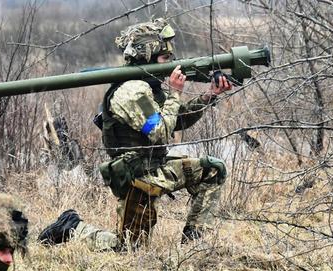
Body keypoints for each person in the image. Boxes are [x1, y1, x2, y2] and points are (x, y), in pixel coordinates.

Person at [39, 18, 232, 251]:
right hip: (137, 178)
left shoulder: (149, 85)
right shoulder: (131, 91)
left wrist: (209, 95)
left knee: (213, 169)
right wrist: (175, 93)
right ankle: (73, 227)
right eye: (165, 59)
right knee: (129, 248)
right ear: (146, 57)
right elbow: (160, 132)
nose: (171, 64)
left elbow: (176, 120)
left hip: (157, 168)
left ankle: (193, 246)